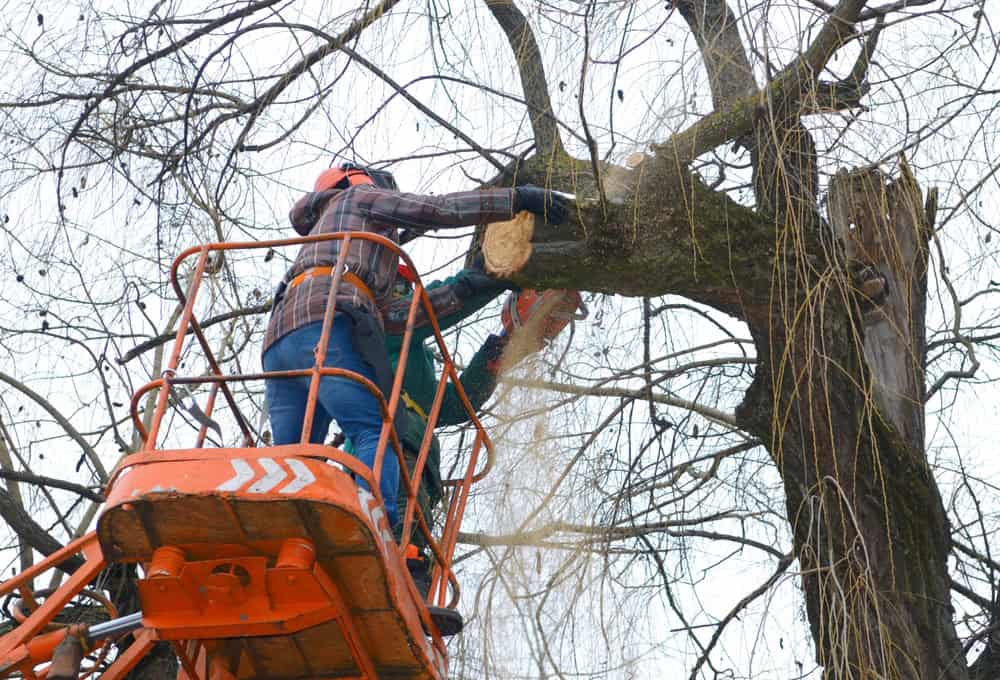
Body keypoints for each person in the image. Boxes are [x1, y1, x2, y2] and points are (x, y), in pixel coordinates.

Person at [261, 163, 570, 532]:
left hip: (282, 340)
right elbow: (434, 214)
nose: (402, 291)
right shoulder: (358, 206)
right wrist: (514, 204)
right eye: (398, 286)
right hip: (329, 330)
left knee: (296, 456)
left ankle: (284, 525)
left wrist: (507, 343)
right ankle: (374, 524)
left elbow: (453, 406)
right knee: (374, 428)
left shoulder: (332, 261)